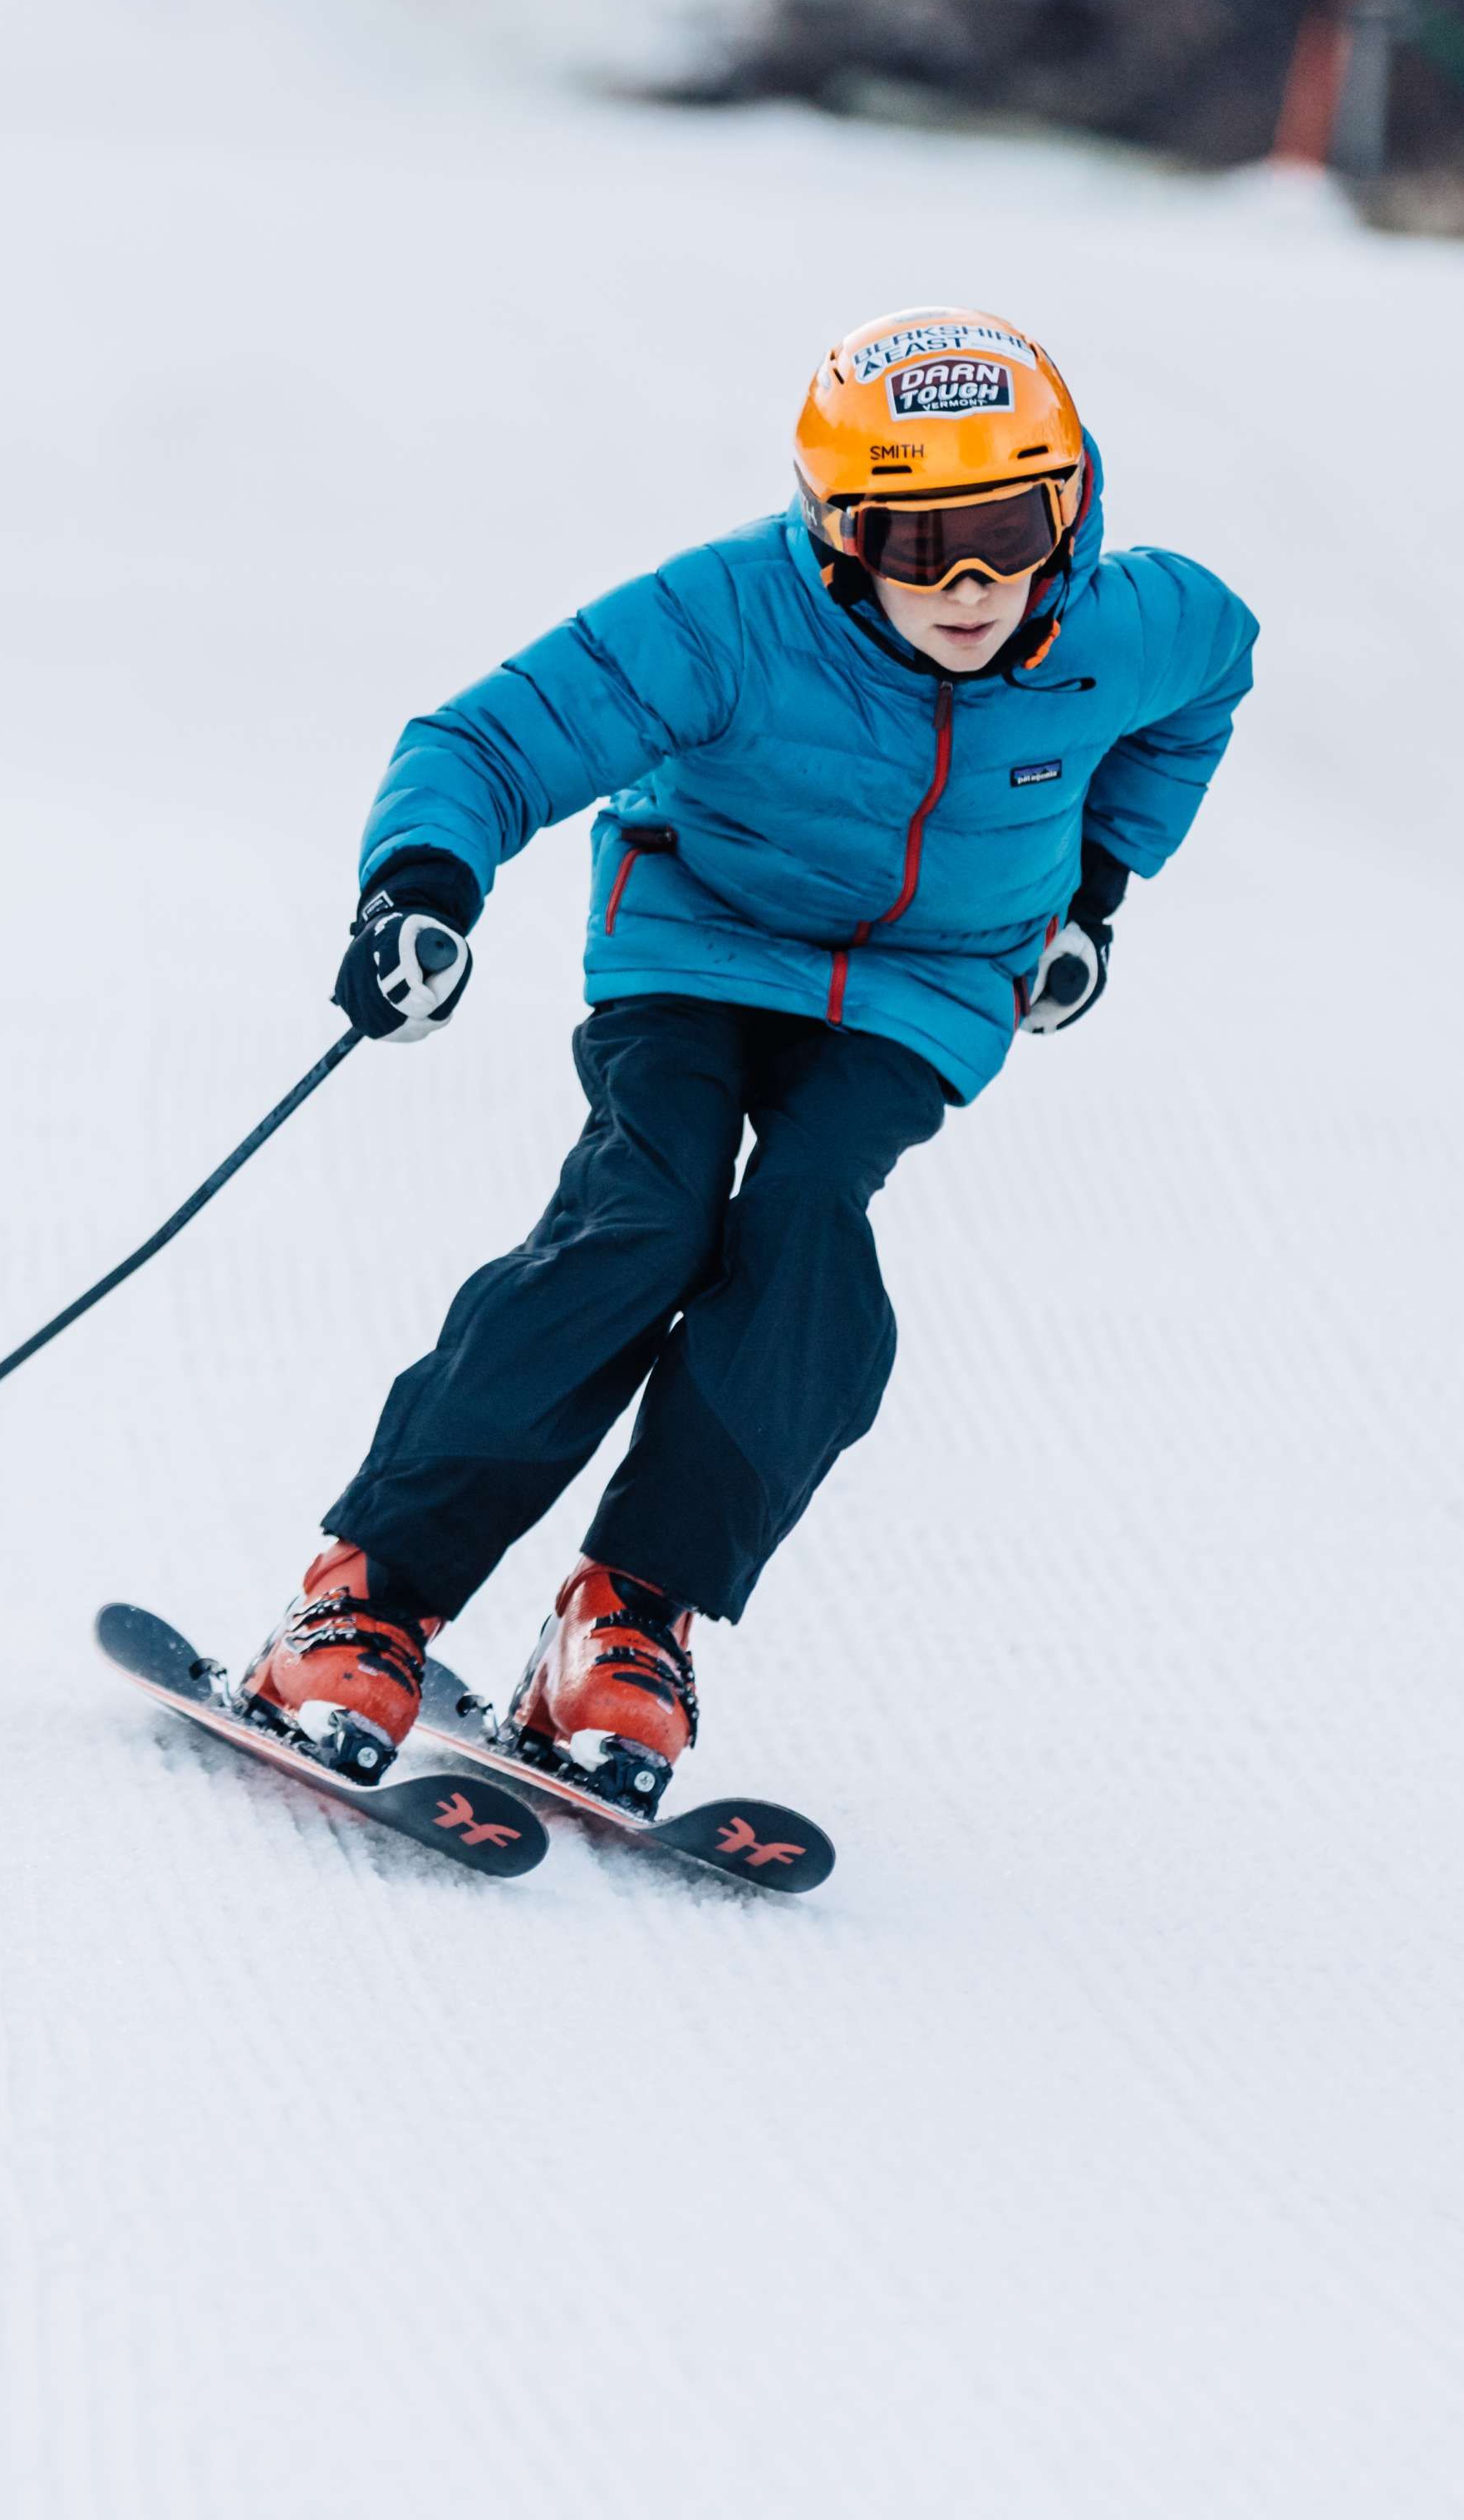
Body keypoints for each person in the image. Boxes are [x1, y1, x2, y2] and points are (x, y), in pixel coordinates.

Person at [232, 308, 1258, 1806]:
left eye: (1009, 527)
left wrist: (1097, 885)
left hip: (923, 986)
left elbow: (1213, 670)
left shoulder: (1125, 623)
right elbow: (485, 738)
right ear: (836, 534)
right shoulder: (726, 615)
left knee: (802, 1237)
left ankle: (626, 1617)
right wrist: (422, 888)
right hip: (697, 945)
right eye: (917, 540)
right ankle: (366, 1592)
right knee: (640, 1220)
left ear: (1071, 508)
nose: (970, 582)